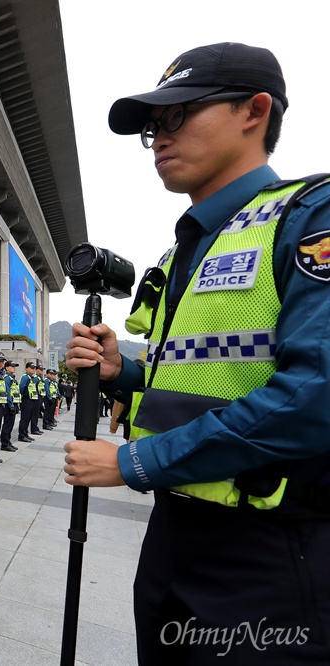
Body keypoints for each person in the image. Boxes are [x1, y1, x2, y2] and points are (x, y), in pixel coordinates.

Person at [63, 42, 330, 664]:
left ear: (254, 111)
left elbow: (313, 399)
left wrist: (133, 461)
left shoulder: (309, 217)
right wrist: (122, 372)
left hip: (270, 548)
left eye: (177, 115)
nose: (158, 136)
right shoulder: (187, 248)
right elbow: (202, 377)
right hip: (176, 533)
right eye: (152, 127)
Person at [0, 361, 21, 451]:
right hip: (9, 405)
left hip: (14, 403)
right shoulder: (7, 378)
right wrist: (11, 405)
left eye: (15, 366)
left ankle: (8, 442)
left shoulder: (12, 378)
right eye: (12, 366)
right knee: (7, 425)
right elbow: (7, 392)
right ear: (7, 368)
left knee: (10, 425)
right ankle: (4, 443)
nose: (14, 368)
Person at [17, 362, 41, 442]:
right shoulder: (25, 377)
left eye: (34, 368)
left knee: (28, 418)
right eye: (32, 368)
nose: (33, 370)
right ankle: (22, 435)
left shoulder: (31, 378)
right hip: (26, 400)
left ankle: (25, 434)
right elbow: (21, 388)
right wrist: (24, 396)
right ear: (27, 368)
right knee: (24, 419)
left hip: (31, 400)